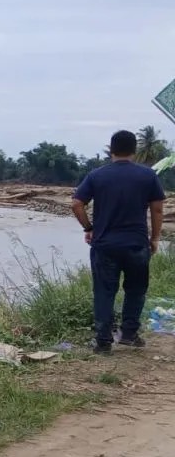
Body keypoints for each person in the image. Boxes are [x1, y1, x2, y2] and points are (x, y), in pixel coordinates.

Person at [71, 130, 165, 354]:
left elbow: (76, 204)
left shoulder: (97, 175)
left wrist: (89, 228)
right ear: (135, 150)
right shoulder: (148, 176)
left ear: (111, 149)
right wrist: (154, 238)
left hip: (105, 245)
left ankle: (103, 342)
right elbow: (158, 209)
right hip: (136, 244)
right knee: (136, 289)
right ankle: (130, 334)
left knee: (104, 292)